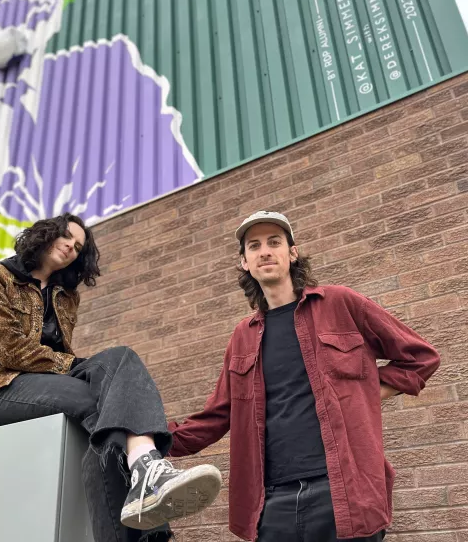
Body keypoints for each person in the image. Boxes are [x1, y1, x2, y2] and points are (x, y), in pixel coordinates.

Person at [168, 211, 441, 542]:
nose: (265, 251)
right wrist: (150, 440)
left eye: (275, 242)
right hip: (271, 506)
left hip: (344, 495)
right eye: (254, 246)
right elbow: (218, 415)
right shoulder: (243, 336)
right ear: (244, 262)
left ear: (292, 253)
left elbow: (420, 357)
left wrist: (369, 391)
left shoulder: (340, 303)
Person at [0, 212, 221, 542]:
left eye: (79, 246)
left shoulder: (66, 295)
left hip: (47, 383)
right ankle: (149, 490)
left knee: (117, 375)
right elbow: (10, 350)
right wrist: (77, 366)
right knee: (95, 398)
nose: (71, 247)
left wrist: (78, 367)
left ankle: (145, 470)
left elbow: (56, 357)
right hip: (1, 390)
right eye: (67, 237)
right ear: (46, 234)